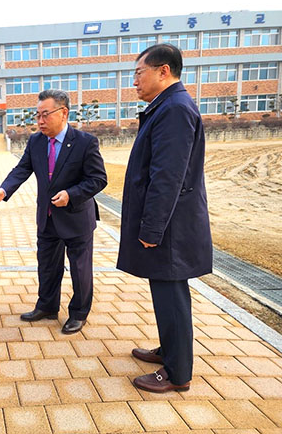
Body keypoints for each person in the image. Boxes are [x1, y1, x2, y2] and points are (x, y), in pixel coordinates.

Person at [117, 43, 212, 393]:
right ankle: (170, 350)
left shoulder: (173, 109)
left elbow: (167, 176)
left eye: (139, 73)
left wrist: (152, 228)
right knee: (165, 292)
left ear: (163, 71)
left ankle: (177, 373)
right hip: (170, 222)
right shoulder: (167, 106)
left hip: (170, 226)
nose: (135, 82)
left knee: (172, 295)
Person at [0, 89, 107, 334]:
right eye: (37, 115)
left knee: (80, 269)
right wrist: (3, 190)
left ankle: (78, 314)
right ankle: (47, 306)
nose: (39, 121)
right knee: (47, 266)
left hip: (76, 217)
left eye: (45, 115)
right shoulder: (36, 141)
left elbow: (98, 179)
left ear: (63, 113)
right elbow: (22, 169)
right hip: (48, 216)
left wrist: (71, 194)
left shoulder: (85, 142)